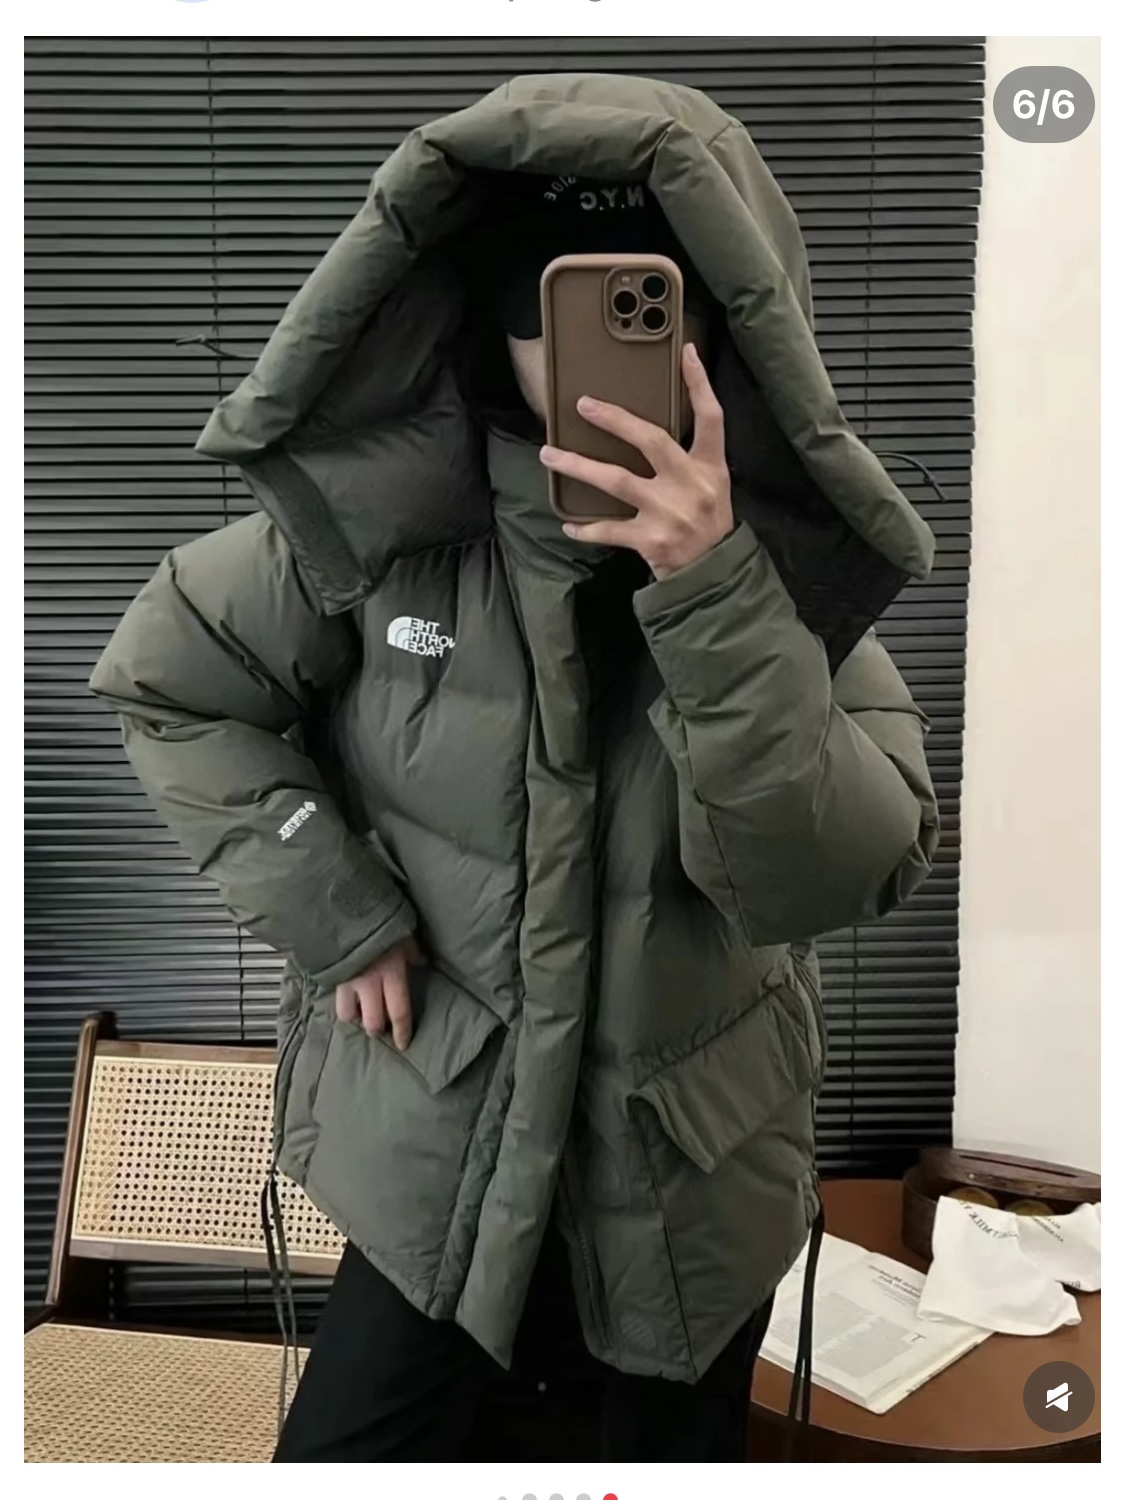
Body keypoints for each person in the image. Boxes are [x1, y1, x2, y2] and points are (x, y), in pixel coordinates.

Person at [89, 73, 940, 1462]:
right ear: (492, 325)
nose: (608, 361)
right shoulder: (373, 535)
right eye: (565, 313)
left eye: (652, 310)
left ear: (727, 329)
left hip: (689, 1191)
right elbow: (169, 688)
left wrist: (715, 592)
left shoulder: (793, 577)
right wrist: (333, 905)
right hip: (430, 1155)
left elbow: (824, 876)